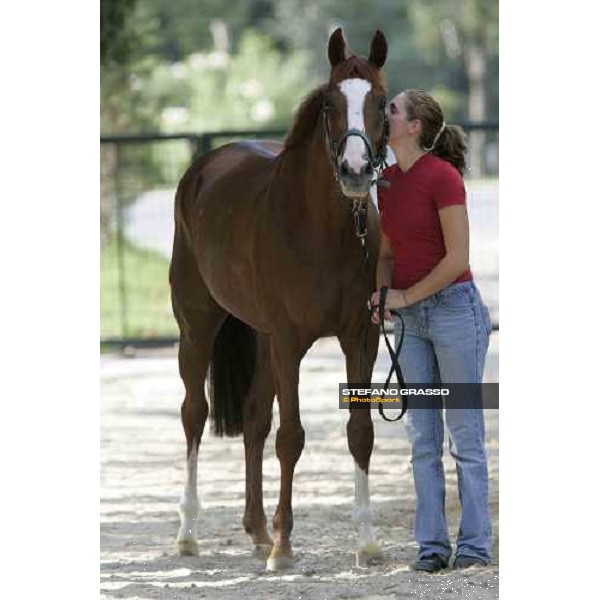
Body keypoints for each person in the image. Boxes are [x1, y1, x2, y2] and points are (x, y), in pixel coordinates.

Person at [370, 89, 493, 572]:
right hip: (412, 322)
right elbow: (385, 255)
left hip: (454, 313)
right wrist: (384, 295)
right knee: (422, 438)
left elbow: (457, 259)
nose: (386, 115)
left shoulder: (442, 178)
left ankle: (476, 546)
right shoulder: (385, 182)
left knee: (466, 437)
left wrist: (403, 297)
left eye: (392, 110)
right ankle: (432, 546)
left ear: (415, 126)